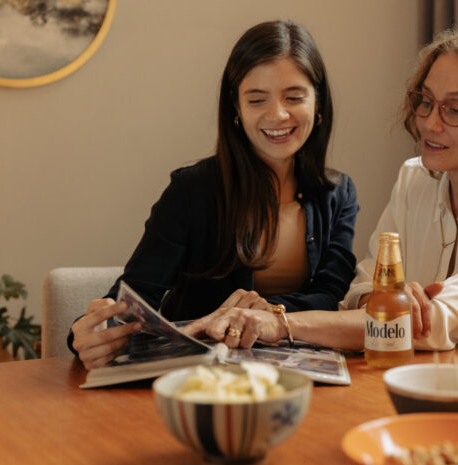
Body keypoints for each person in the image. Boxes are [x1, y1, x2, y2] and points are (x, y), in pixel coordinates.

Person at [184, 24, 458, 352]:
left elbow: (423, 327)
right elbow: (360, 290)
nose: (429, 122)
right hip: (445, 387)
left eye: (454, 110)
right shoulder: (415, 181)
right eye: (425, 101)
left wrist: (279, 323)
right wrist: (384, 300)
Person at [69, 20, 359, 369]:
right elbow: (135, 293)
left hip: (300, 377)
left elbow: (333, 295)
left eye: (294, 97)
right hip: (198, 376)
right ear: (236, 109)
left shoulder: (339, 193)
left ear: (318, 103)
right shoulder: (190, 190)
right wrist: (85, 335)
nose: (278, 114)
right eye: (256, 99)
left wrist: (271, 314)